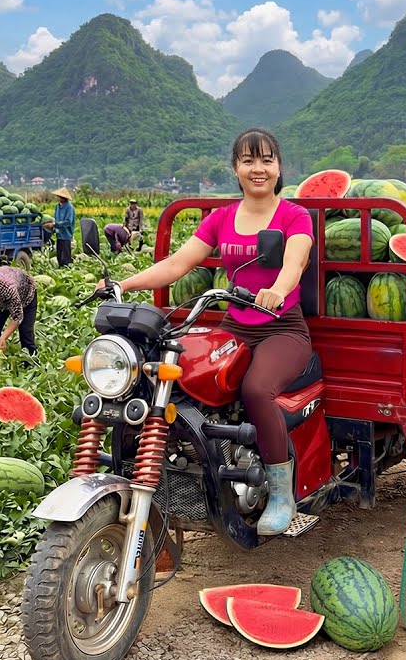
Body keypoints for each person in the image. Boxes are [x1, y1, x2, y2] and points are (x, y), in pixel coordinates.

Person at [116, 128, 312, 537]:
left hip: (282, 329)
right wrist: (123, 285)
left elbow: (294, 264)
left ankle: (280, 492)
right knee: (184, 378)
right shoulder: (221, 218)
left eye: (266, 160)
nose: (258, 169)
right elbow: (176, 264)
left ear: (279, 168)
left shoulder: (294, 216)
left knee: (257, 390)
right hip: (234, 325)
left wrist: (276, 290)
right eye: (248, 160)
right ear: (235, 168)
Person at [53, 187, 75, 267]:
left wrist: (56, 224)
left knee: (66, 256)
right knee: (59, 255)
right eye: (59, 197)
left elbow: (68, 222)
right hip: (59, 235)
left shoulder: (69, 207)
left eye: (61, 197)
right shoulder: (57, 206)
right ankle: (61, 267)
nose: (60, 198)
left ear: (65, 198)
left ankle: (67, 269)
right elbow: (55, 218)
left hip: (66, 235)